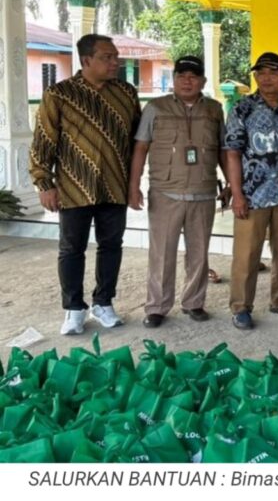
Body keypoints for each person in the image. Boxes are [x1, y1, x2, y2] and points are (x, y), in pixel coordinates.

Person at [30, 34, 141, 335]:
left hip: (115, 185)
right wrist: (44, 183)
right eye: (107, 57)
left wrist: (134, 183)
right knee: (71, 248)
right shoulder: (59, 94)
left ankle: (103, 302)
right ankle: (73, 308)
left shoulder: (126, 93)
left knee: (111, 245)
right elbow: (43, 140)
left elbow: (137, 142)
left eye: (115, 56)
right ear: (86, 60)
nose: (115, 62)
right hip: (73, 186)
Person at [128, 56, 230, 327]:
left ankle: (194, 303)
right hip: (165, 192)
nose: (187, 81)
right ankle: (157, 307)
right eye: (181, 76)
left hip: (203, 191)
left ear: (203, 81)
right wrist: (133, 186)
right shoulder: (155, 108)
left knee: (199, 253)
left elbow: (223, 150)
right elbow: (140, 147)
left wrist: (231, 184)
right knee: (162, 252)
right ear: (173, 80)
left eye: (193, 76)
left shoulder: (214, 109)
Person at [224, 51, 278, 330]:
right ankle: (240, 307)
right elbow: (232, 153)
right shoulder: (242, 109)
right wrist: (237, 194)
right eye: (261, 72)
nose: (267, 77)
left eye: (273, 72)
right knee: (246, 256)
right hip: (252, 195)